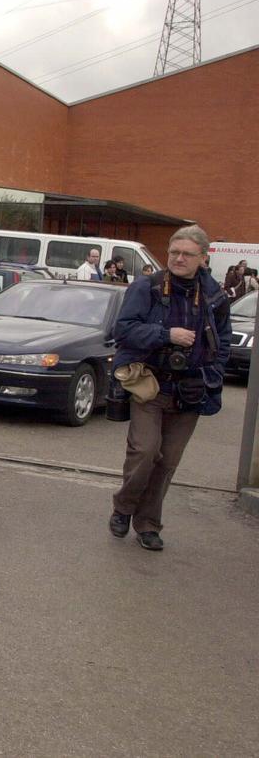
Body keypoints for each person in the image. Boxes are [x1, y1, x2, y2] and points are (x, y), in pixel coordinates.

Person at [108, 225, 230, 551]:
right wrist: (166, 334)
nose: (178, 258)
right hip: (149, 384)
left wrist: (213, 373)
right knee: (146, 452)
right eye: (174, 252)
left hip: (190, 390)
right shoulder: (146, 287)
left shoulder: (215, 296)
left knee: (167, 462)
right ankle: (123, 507)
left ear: (203, 258)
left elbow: (224, 342)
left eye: (187, 254)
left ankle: (148, 524)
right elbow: (123, 331)